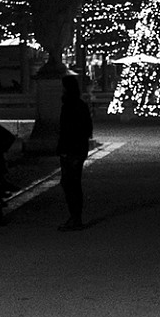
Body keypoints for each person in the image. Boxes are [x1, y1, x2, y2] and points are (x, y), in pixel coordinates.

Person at [57, 73, 94, 230]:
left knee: (69, 184)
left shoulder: (69, 106)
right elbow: (87, 128)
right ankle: (75, 217)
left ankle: (75, 217)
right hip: (78, 149)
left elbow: (67, 130)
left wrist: (64, 149)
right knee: (73, 183)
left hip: (71, 150)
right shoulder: (80, 104)